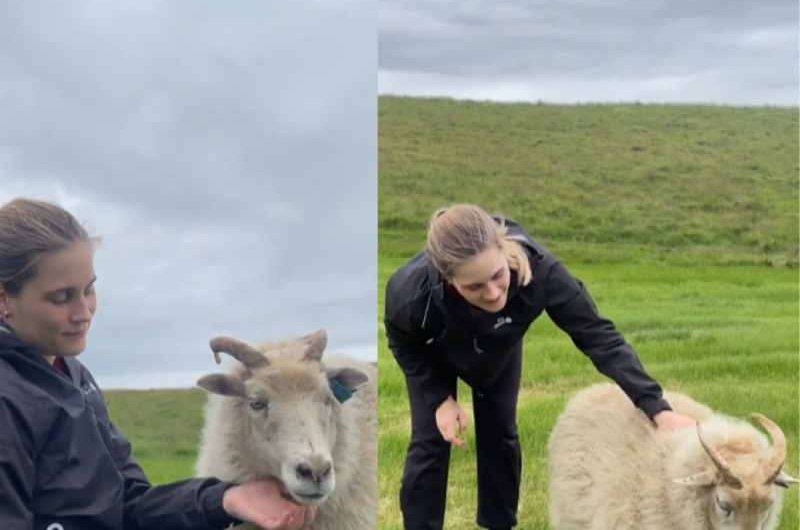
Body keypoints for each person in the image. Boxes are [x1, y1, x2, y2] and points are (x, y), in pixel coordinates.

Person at [0, 197, 317, 530]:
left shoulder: (73, 376)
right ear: (4, 297)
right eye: (61, 297)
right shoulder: (9, 400)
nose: (84, 312)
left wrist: (224, 500)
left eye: (89, 290)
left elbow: (128, 503)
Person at [383, 203, 696, 530]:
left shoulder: (542, 272)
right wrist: (440, 399)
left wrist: (658, 408)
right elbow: (403, 343)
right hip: (436, 352)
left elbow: (600, 338)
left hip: (498, 348)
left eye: (498, 275)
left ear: (504, 250)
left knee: (500, 432)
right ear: (448, 279)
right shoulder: (411, 294)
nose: (492, 294)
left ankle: (499, 524)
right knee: (430, 442)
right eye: (474, 287)